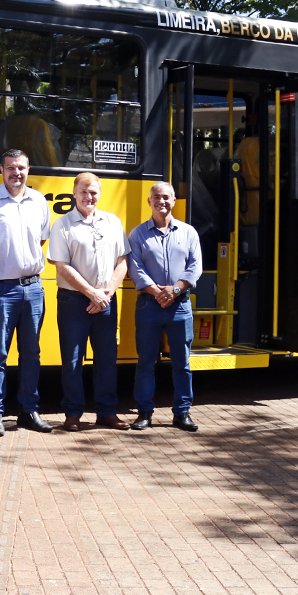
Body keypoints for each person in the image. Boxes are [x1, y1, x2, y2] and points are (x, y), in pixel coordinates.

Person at [47, 172, 130, 432]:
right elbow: (62, 266)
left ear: (99, 194)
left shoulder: (113, 222)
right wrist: (90, 293)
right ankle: (72, 413)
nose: (88, 196)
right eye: (84, 191)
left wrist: (105, 294)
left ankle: (107, 412)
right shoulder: (62, 225)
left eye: (93, 192)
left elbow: (123, 261)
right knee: (73, 359)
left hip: (106, 300)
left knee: (107, 358)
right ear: (74, 193)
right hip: (73, 301)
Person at [0, 150, 53, 435]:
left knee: (31, 352)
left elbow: (42, 239)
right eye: (10, 168)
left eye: (21, 167)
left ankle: (28, 411)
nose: (16, 173)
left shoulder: (39, 202)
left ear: (28, 169)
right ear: (1, 170)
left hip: (33, 288)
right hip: (1, 289)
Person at [127, 182, 203, 432]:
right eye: (156, 197)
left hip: (180, 306)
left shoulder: (189, 232)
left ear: (174, 200)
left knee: (182, 363)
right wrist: (158, 292)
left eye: (166, 197)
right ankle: (144, 413)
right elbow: (135, 268)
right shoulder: (137, 234)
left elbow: (195, 267)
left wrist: (176, 289)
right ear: (149, 201)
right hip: (149, 305)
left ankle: (182, 413)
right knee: (146, 362)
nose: (162, 201)